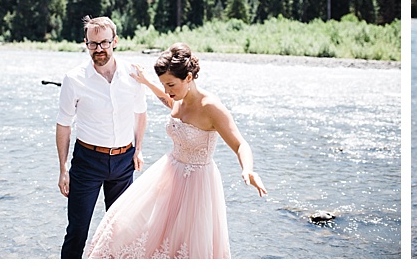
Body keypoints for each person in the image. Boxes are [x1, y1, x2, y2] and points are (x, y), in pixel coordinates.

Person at [83, 42, 267, 259]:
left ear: (189, 78)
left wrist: (248, 169)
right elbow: (167, 101)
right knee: (127, 229)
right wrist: (146, 83)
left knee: (185, 244)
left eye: (171, 85)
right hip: (169, 173)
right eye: (164, 85)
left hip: (196, 184)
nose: (167, 91)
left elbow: (240, 144)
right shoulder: (179, 99)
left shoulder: (211, 107)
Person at [57, 15, 148, 259]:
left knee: (121, 231)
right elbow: (63, 125)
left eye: (104, 43)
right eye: (92, 44)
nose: (99, 49)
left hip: (123, 161)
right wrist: (63, 168)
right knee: (77, 230)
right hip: (87, 162)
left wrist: (138, 150)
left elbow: (140, 112)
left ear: (115, 41)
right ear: (85, 43)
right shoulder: (73, 79)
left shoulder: (132, 74)